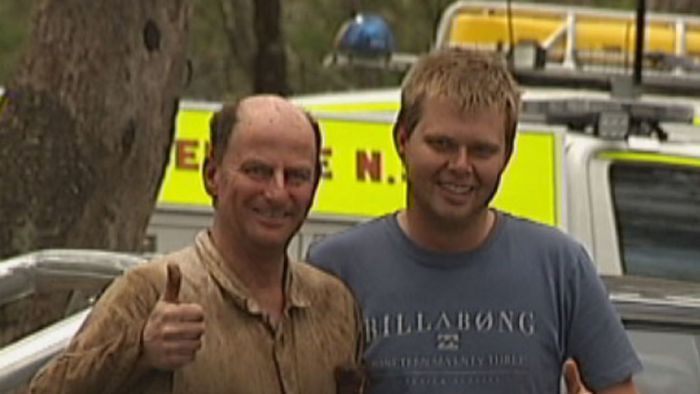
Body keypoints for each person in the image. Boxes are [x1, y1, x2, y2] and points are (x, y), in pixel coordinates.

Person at [308, 48, 642, 393]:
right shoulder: (335, 269)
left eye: (481, 150)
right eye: (442, 144)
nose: (460, 166)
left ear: (507, 155)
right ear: (403, 141)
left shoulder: (560, 267)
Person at [29, 95, 364, 393]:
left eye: (296, 176)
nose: (277, 193)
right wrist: (139, 352)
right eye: (257, 171)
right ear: (212, 175)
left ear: (315, 184)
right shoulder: (148, 292)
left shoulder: (334, 305)